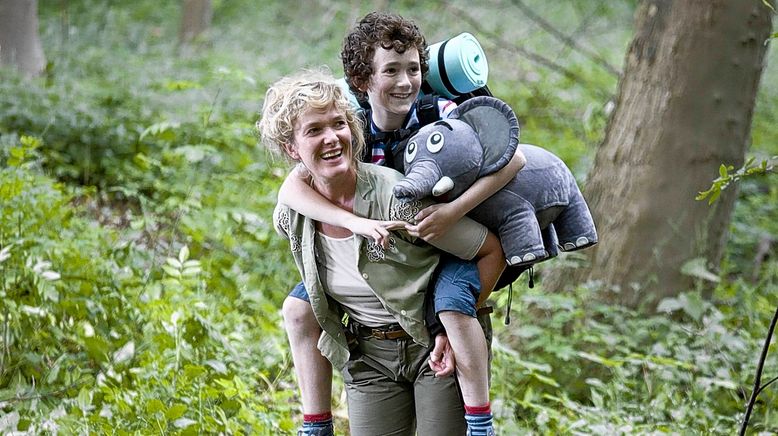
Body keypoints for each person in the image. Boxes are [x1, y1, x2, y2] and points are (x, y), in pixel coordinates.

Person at [275, 11, 525, 436]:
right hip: (379, 252)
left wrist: (452, 210)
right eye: (391, 71)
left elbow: (513, 159)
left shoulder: (443, 115)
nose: (406, 82)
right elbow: (291, 191)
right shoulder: (350, 126)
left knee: (449, 305)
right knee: (299, 307)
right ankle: (315, 422)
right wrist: (352, 222)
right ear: (361, 81)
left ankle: (481, 422)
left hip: (438, 238)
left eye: (413, 69)